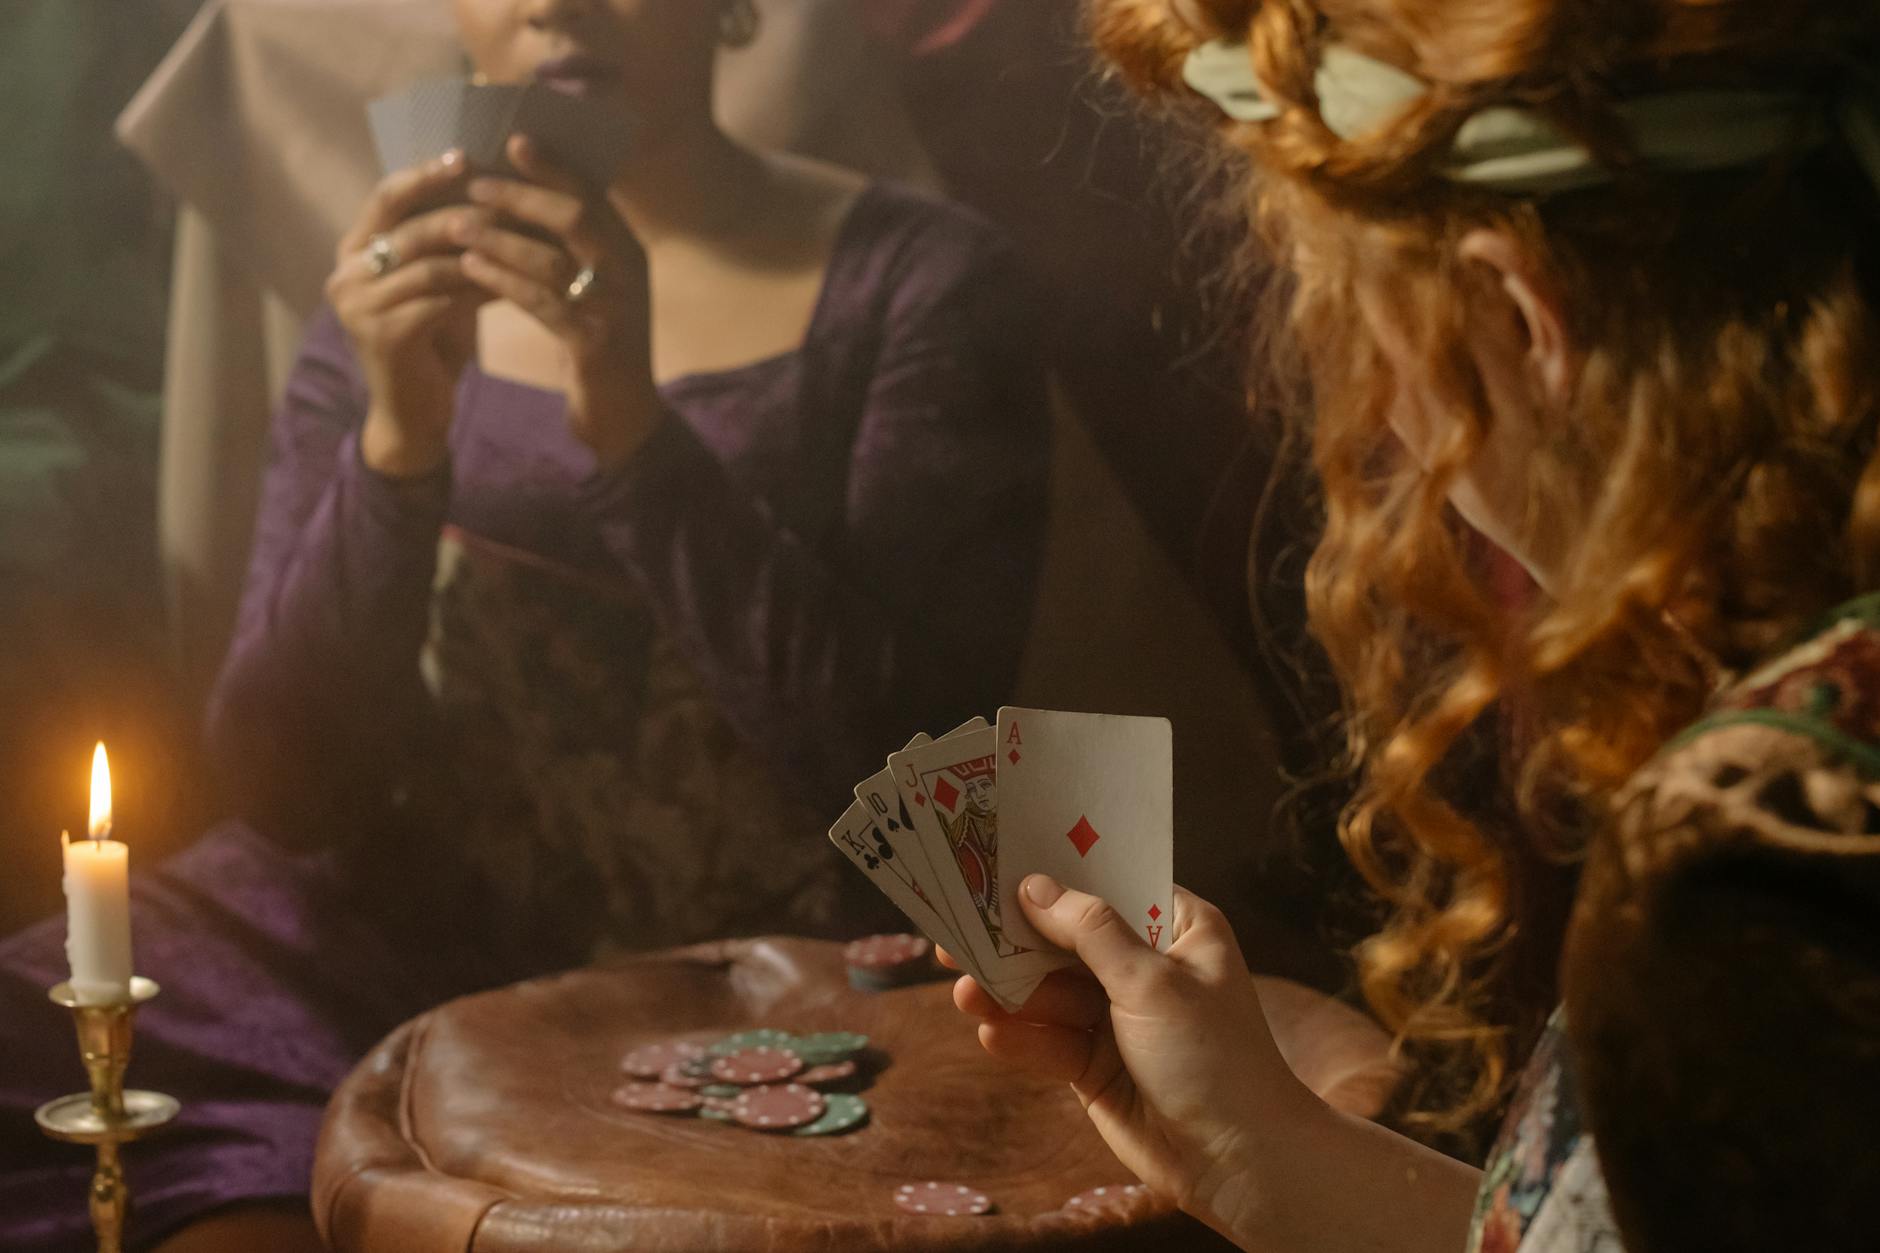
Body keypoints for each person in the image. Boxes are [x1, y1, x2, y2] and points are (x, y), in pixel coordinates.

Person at [0, 0, 1050, 1248]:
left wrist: (633, 434)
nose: (554, 1)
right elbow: (282, 788)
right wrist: (396, 448)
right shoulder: (397, 292)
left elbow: (916, 786)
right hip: (380, 955)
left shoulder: (922, 281)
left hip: (763, 1001)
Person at [949, 1, 1880, 1250]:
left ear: (1516, 310)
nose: (1371, 406)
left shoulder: (1751, 855)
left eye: (1349, 313)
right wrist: (1250, 1142)